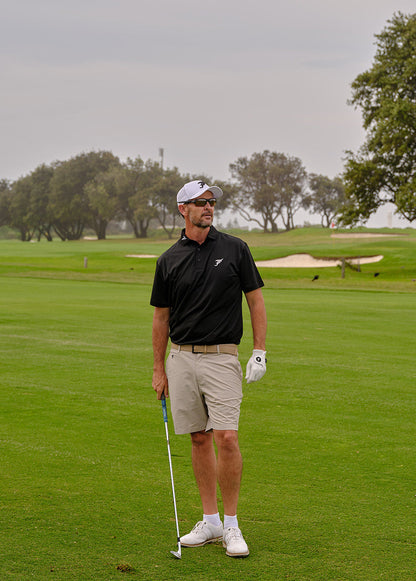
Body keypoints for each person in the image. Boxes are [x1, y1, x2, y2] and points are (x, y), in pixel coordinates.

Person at [151, 179, 267, 558]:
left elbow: (255, 301)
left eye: (212, 202)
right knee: (199, 438)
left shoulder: (235, 249)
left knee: (226, 438)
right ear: (182, 209)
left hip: (221, 357)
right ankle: (210, 519)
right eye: (200, 202)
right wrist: (158, 368)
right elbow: (161, 317)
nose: (209, 207)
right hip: (181, 357)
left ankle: (232, 525)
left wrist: (259, 350)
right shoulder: (169, 259)